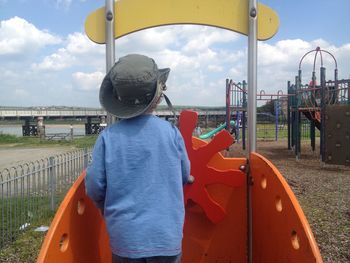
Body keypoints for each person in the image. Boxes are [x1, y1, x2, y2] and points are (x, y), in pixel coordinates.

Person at [85, 54, 191, 263]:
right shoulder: (171, 132)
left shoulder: (108, 137)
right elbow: (184, 175)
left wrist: (102, 206)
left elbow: (95, 186)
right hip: (166, 236)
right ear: (159, 97)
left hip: (126, 238)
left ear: (117, 99)